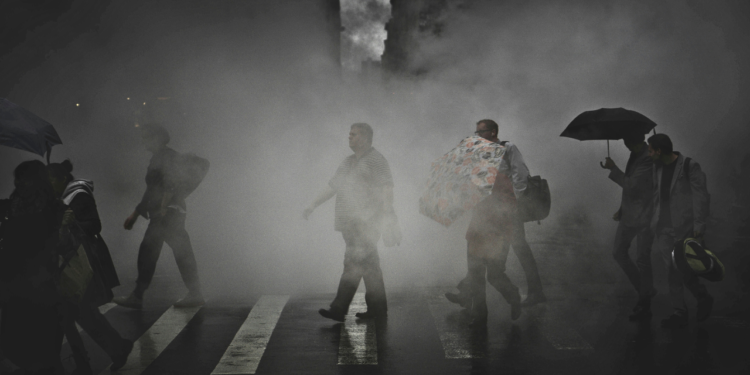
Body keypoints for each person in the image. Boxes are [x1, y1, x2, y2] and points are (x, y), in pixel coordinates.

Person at [303, 123, 400, 321]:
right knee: (369, 267)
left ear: (365, 138)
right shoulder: (348, 162)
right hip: (349, 223)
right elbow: (333, 187)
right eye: (349, 134)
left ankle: (339, 308)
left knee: (353, 264)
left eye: (353, 135)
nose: (349, 137)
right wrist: (313, 204)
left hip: (366, 223)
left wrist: (389, 216)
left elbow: (387, 189)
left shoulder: (376, 160)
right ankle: (377, 310)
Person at [445, 119, 546, 308]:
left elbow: (520, 176)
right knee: (480, 248)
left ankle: (536, 291)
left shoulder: (508, 148)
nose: (478, 135)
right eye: (476, 132)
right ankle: (467, 292)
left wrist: (513, 204)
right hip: (493, 210)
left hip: (510, 209)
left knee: (521, 250)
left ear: (493, 132)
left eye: (481, 132)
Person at [47, 160, 133, 372]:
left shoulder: (78, 195)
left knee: (76, 311)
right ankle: (117, 347)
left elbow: (94, 224)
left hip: (82, 259)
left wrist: (68, 224)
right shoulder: (61, 196)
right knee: (80, 311)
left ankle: (58, 363)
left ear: (61, 179)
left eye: (50, 181)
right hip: (71, 259)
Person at [114, 123, 205, 309]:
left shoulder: (165, 157)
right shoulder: (161, 156)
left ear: (156, 138)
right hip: (169, 212)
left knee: (149, 251)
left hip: (166, 214)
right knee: (179, 252)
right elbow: (152, 190)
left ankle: (138, 296)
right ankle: (195, 293)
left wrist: (163, 206)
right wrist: (136, 213)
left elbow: (170, 182)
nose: (143, 141)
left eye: (146, 137)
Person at [0, 160, 65, 374]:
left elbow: (43, 243)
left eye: (23, 179)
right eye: (17, 179)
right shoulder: (18, 202)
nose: (18, 183)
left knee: (39, 336)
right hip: (16, 277)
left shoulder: (47, 207)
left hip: (37, 278)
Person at [647, 133, 712, 328]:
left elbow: (701, 196)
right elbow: (654, 196)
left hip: (684, 227)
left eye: (651, 151)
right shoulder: (656, 168)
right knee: (671, 270)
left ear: (659, 151)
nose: (649, 154)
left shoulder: (689, 166)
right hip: (664, 228)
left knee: (682, 268)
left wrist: (699, 225)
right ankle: (679, 311)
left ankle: (702, 297)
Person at [600, 133, 656, 320]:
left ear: (634, 139)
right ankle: (645, 290)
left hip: (646, 216)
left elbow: (632, 185)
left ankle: (644, 302)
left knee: (642, 259)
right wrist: (622, 209)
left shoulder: (648, 157)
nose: (624, 143)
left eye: (626, 140)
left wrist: (613, 168)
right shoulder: (635, 154)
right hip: (631, 214)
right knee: (618, 252)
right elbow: (633, 189)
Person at [465, 157, 522, 326]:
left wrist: (490, 203)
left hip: (496, 235)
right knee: (476, 275)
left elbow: (509, 205)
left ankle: (513, 296)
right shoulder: (473, 181)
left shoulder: (501, 179)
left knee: (494, 275)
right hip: (476, 233)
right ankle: (480, 314)